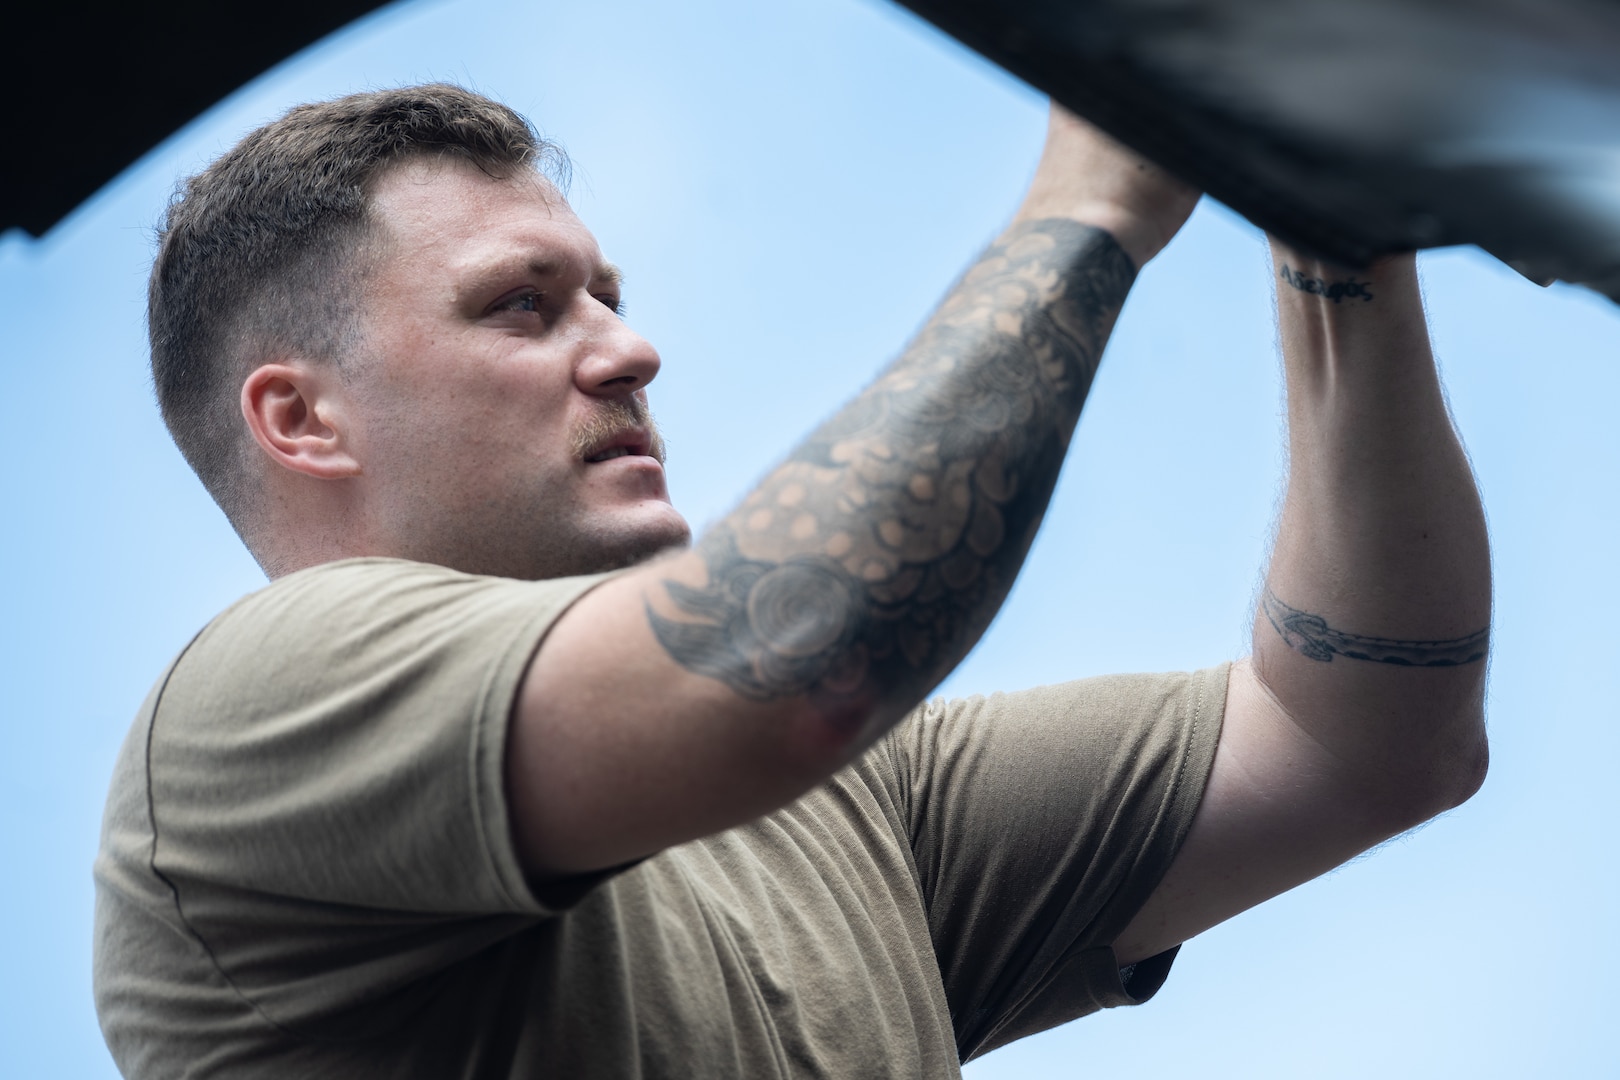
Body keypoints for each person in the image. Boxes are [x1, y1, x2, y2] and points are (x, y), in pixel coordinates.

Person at [93, 84, 1491, 1078]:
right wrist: (1095, 192)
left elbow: (1360, 740)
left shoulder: (844, 806)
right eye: (522, 303)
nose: (628, 351)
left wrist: (1337, 246)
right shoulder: (248, 719)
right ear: (302, 420)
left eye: (609, 297)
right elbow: (797, 658)